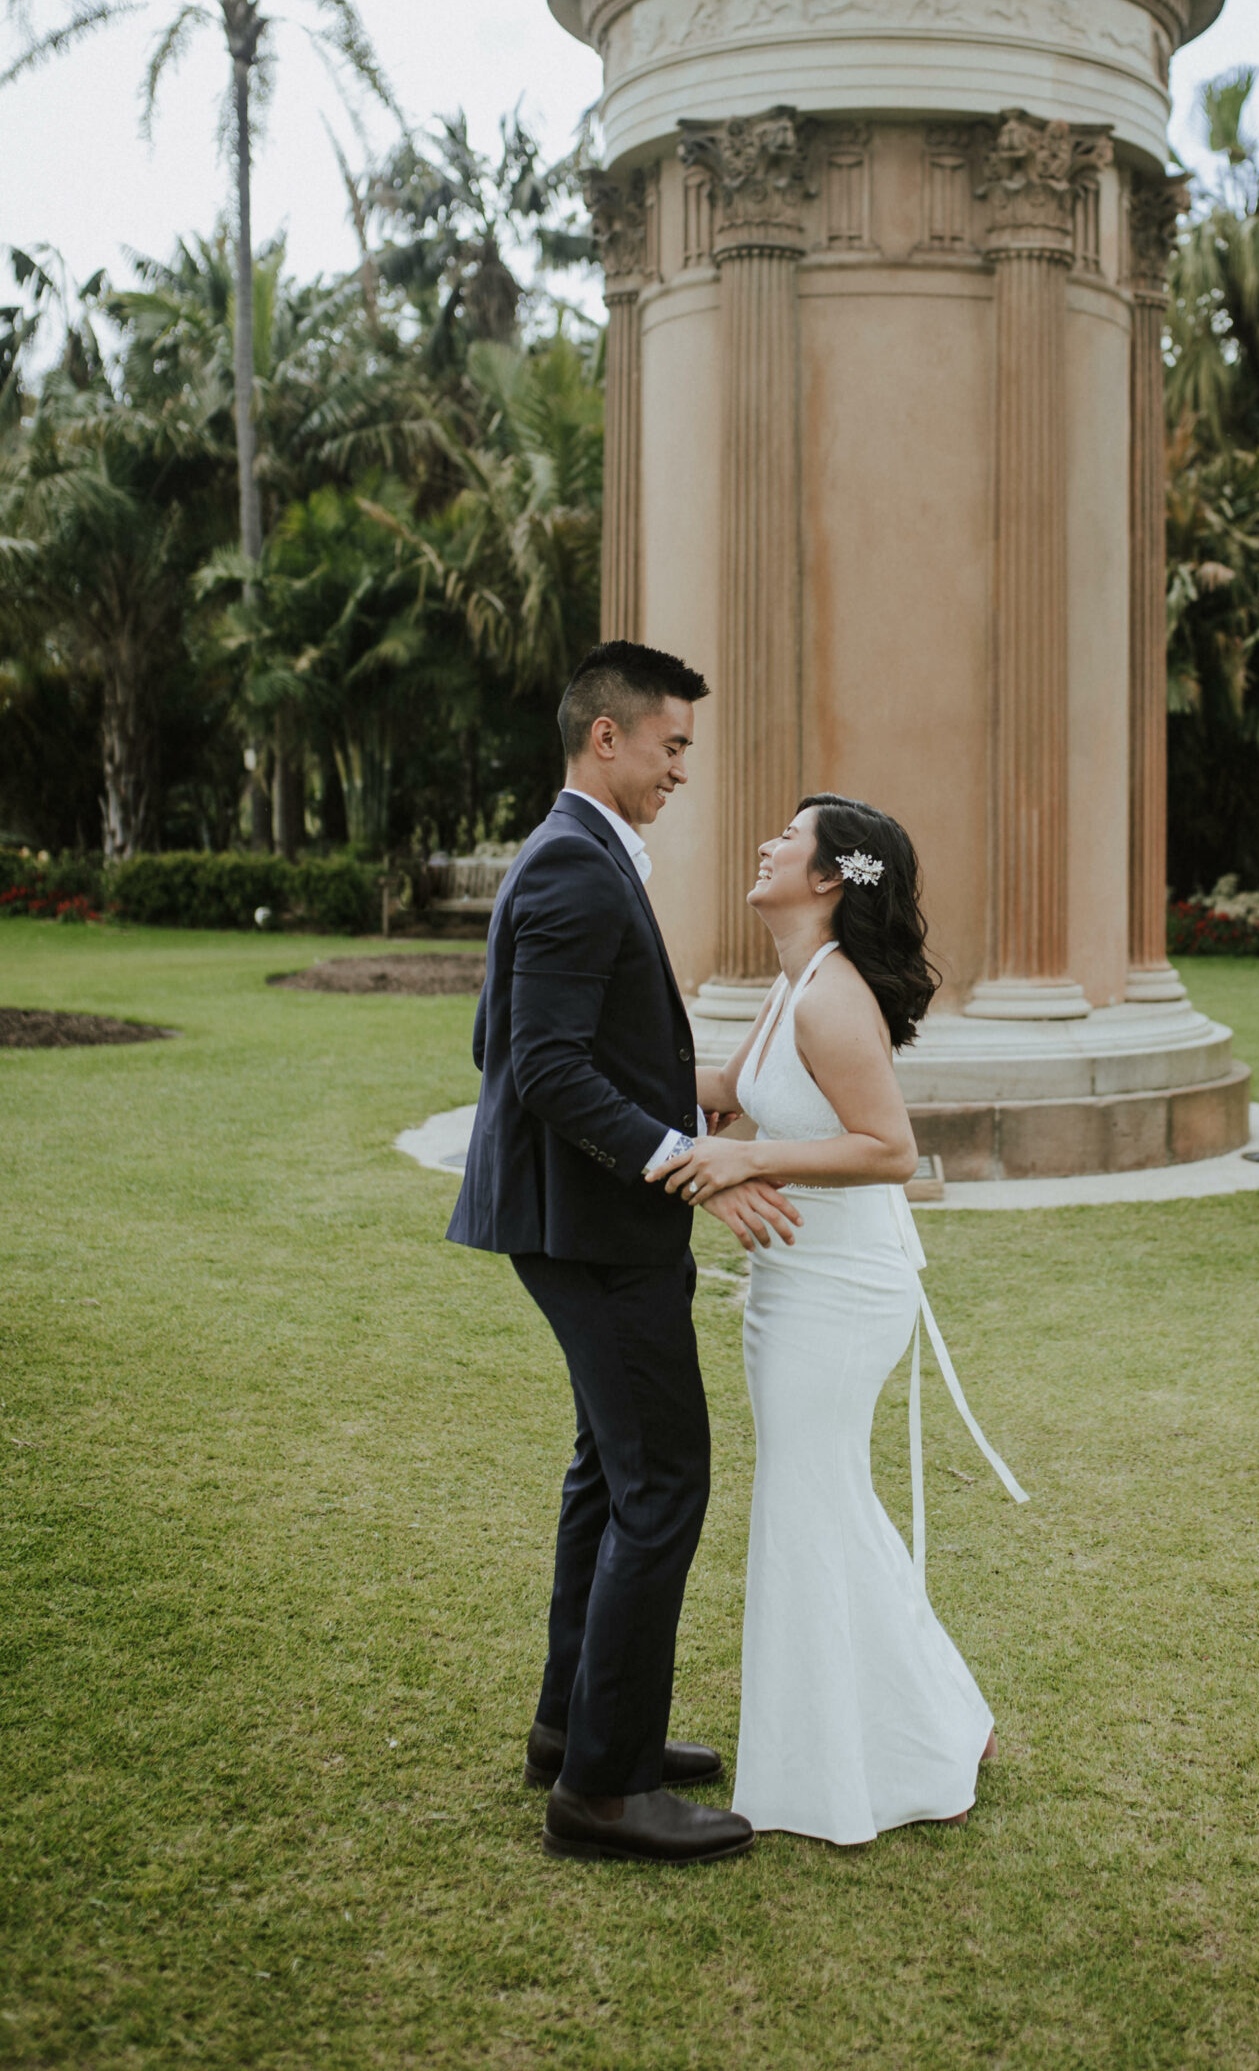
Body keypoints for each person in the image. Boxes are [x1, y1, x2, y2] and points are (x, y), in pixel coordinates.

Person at [446, 639, 796, 1867]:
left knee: (610, 1476)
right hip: (589, 1232)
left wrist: (681, 1083)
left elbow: (521, 1035)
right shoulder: (576, 868)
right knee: (664, 1483)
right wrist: (679, 1156)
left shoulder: (576, 856)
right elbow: (535, 1065)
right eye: (672, 745)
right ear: (608, 736)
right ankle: (602, 1792)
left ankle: (572, 1730)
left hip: (578, 1224)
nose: (681, 770)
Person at [648, 796, 1026, 1844]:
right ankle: (942, 1710)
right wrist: (590, 1085)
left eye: (789, 834)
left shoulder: (832, 998)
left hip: (841, 1290)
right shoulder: (795, 985)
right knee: (824, 1499)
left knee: (806, 1503)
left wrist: (745, 1154)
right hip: (795, 1283)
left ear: (825, 879)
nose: (766, 841)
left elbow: (888, 1149)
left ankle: (862, 1765)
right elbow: (730, 1085)